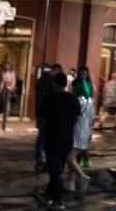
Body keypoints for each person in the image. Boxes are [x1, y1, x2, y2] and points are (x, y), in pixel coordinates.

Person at [40, 71, 80, 209]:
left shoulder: (48, 99)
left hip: (52, 137)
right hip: (67, 138)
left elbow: (40, 115)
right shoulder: (73, 99)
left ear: (54, 84)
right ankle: (49, 194)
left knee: (55, 170)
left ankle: (58, 199)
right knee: (58, 169)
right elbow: (77, 118)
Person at [66, 66, 93, 192]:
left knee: (69, 158)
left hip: (76, 131)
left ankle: (82, 177)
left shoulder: (76, 100)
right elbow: (91, 117)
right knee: (74, 157)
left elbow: (74, 117)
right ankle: (70, 182)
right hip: (84, 131)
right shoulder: (89, 101)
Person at [35, 62, 62, 173]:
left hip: (42, 113)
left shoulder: (42, 79)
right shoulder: (49, 81)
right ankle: (42, 161)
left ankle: (41, 161)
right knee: (44, 138)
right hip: (47, 114)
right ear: (55, 70)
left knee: (43, 137)